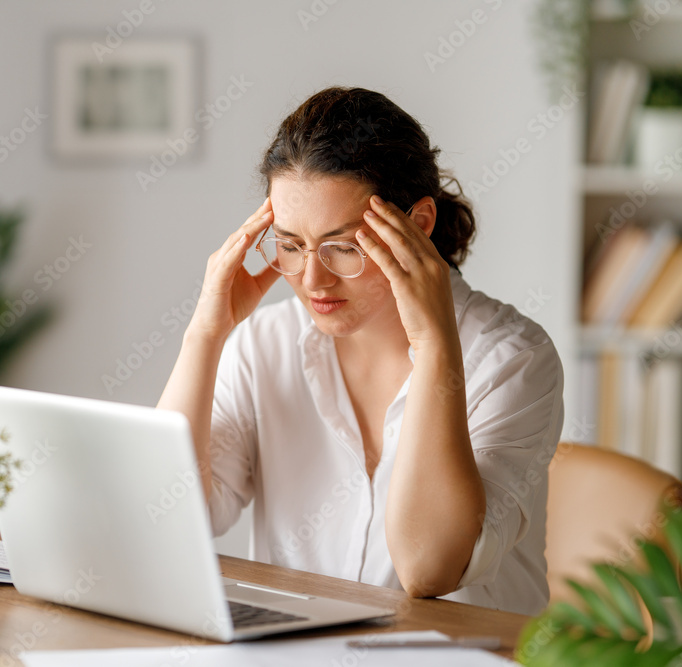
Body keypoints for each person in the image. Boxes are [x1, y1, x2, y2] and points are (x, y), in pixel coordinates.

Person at [157, 86, 563, 615]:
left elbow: (428, 568)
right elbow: (167, 524)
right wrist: (205, 336)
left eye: (343, 248)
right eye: (290, 244)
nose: (312, 278)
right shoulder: (263, 346)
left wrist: (434, 344)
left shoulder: (512, 358)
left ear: (417, 225)